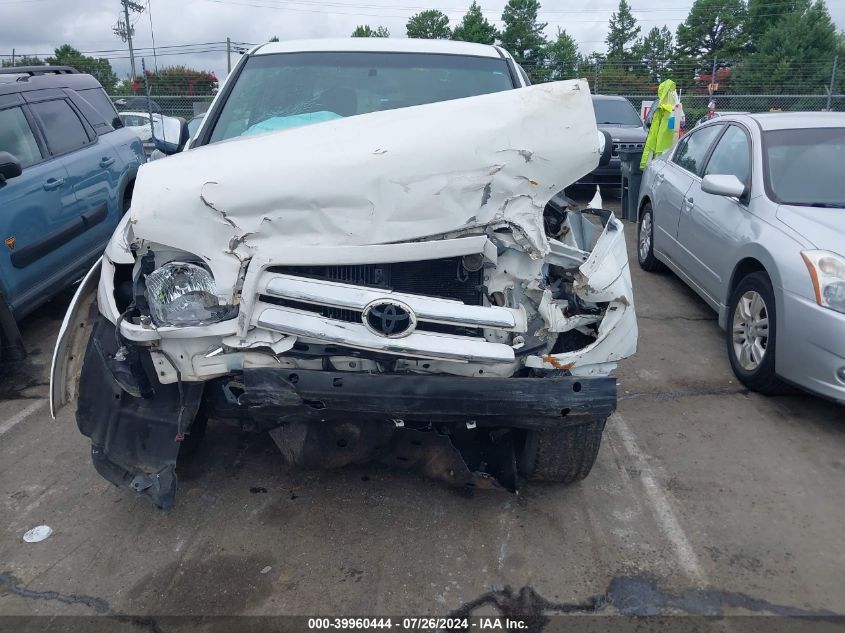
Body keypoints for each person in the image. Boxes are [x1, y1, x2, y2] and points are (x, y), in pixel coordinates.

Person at [640, 79, 679, 170]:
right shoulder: (661, 108)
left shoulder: (674, 108)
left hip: (670, 148)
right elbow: (652, 130)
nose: (673, 93)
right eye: (671, 91)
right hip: (661, 148)